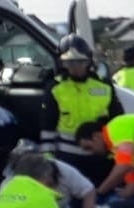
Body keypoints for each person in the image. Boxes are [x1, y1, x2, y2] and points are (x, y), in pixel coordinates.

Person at [42, 34, 121, 179]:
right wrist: (48, 158)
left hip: (98, 155)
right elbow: (48, 125)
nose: (75, 67)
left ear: (89, 61)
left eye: (80, 62)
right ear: (62, 63)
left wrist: (111, 151)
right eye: (69, 63)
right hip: (67, 157)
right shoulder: (55, 87)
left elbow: (117, 120)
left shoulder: (104, 86)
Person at [74, 114, 134, 200]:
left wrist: (99, 192)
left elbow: (124, 166)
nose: (92, 153)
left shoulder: (115, 127)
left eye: (89, 147)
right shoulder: (117, 152)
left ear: (96, 136)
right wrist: (120, 197)